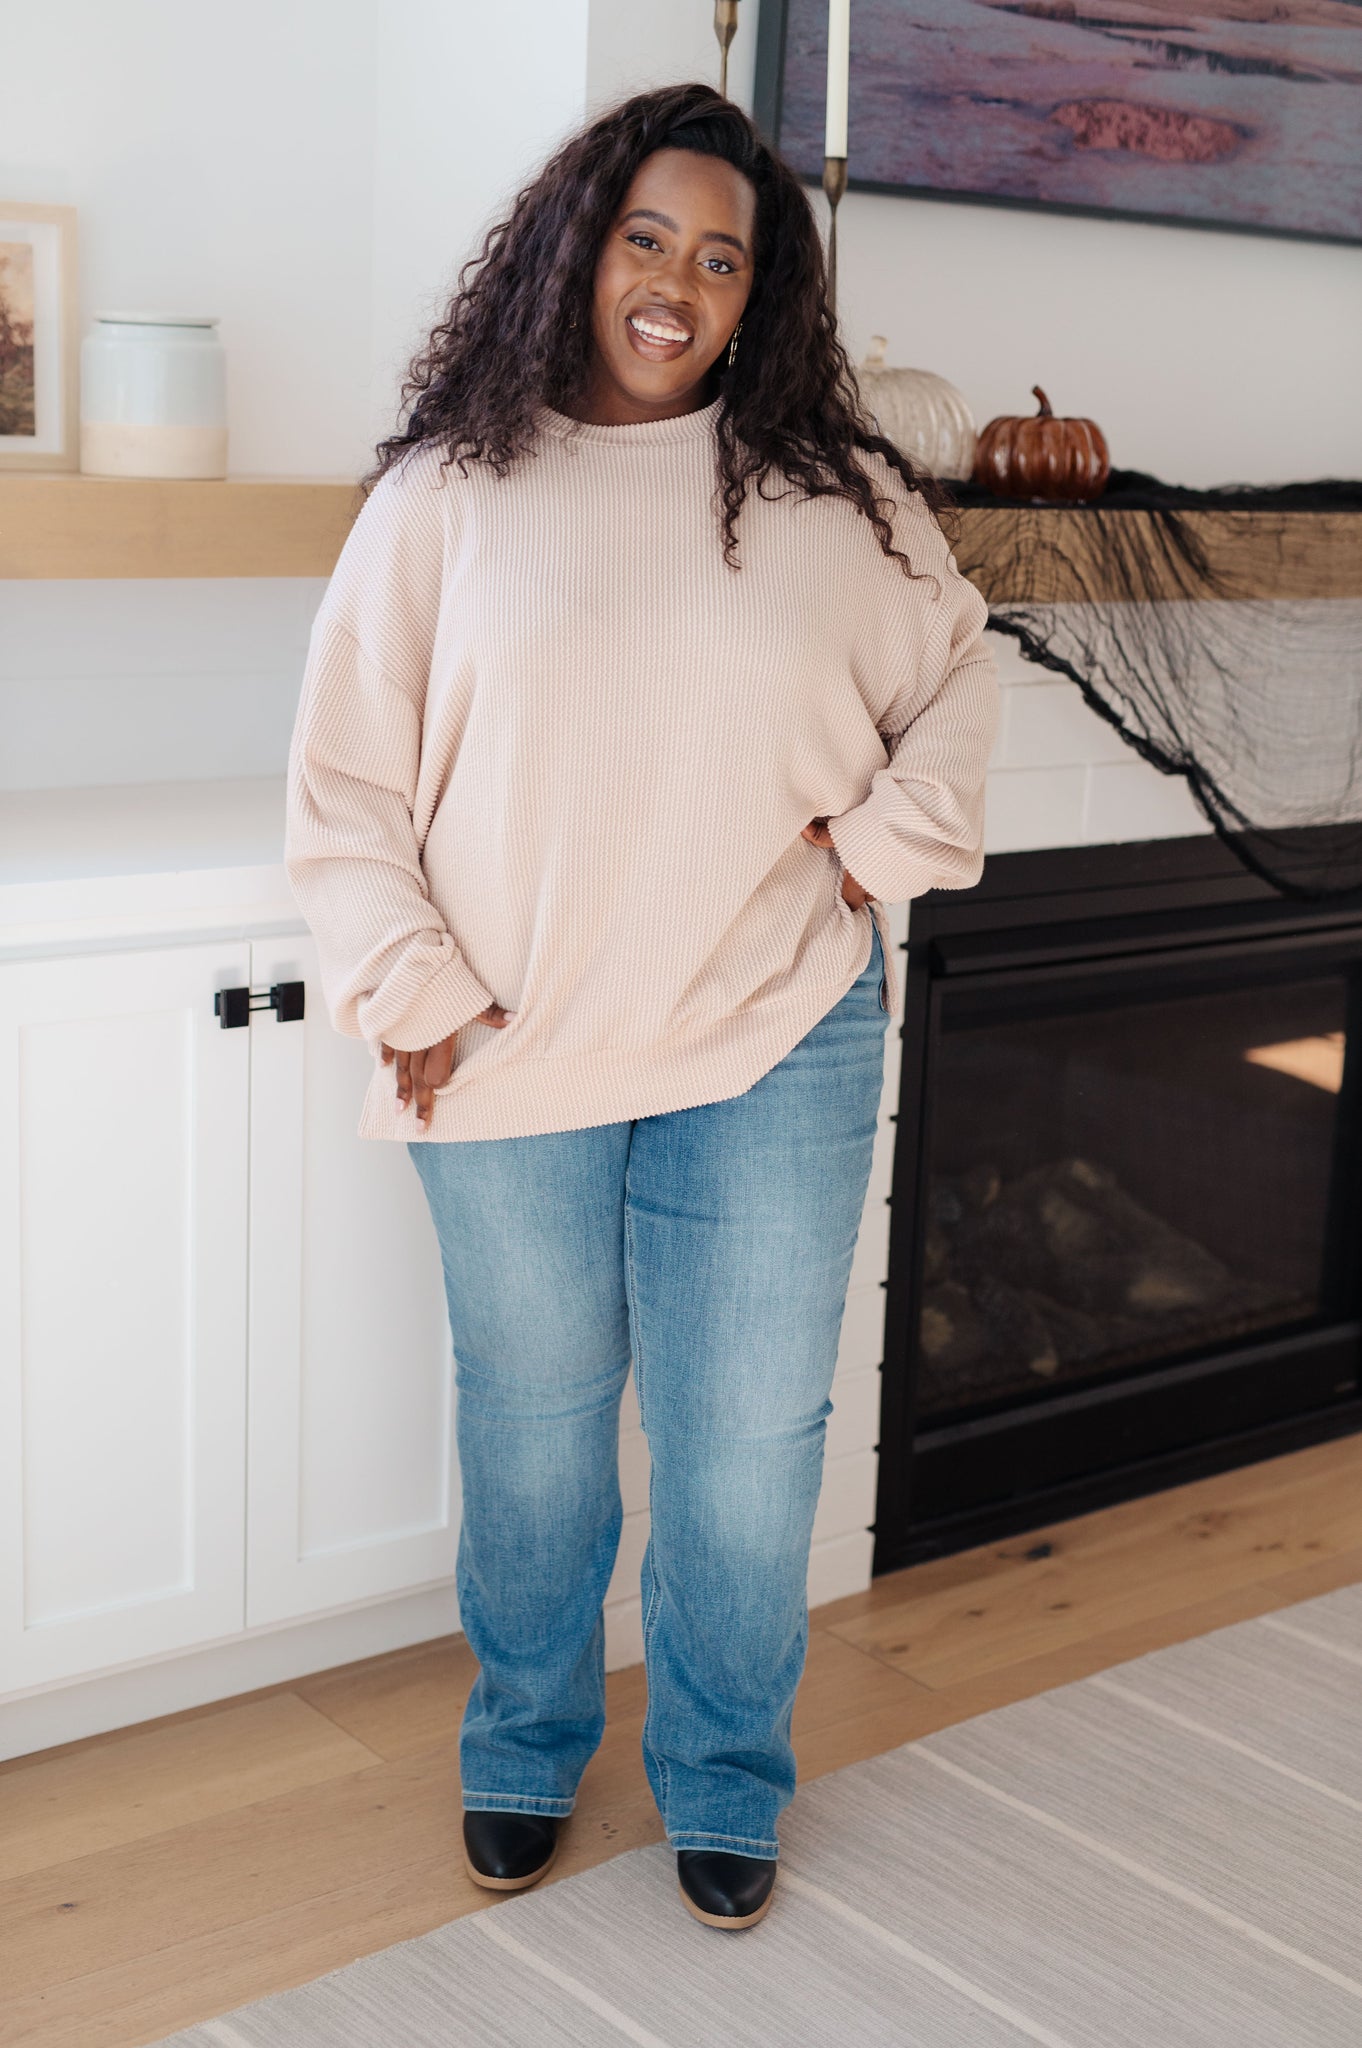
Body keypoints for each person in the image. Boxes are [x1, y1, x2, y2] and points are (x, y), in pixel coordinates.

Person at [284, 81, 998, 1932]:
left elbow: (958, 673)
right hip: (505, 1036)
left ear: (763, 296)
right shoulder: (448, 495)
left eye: (722, 258)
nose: (677, 284)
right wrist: (408, 980)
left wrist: (881, 847)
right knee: (533, 1430)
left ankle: (723, 1774)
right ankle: (524, 1746)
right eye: (646, 237)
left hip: (775, 1032)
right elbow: (344, 787)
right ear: (577, 248)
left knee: (745, 1446)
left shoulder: (836, 502)